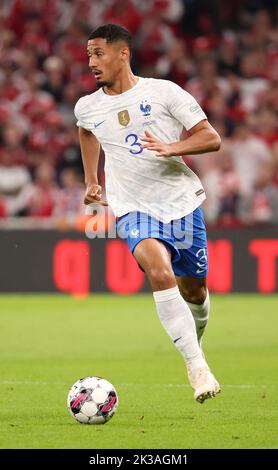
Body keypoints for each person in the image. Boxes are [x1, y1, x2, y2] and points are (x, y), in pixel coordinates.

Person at [74, 23, 221, 404]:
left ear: (123, 53)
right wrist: (92, 179)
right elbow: (86, 131)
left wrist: (174, 147)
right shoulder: (88, 106)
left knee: (195, 289)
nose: (91, 61)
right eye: (89, 54)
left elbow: (210, 137)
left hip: (180, 205)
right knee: (158, 270)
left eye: (98, 53)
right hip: (132, 208)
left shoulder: (163, 92)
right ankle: (197, 367)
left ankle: (195, 339)